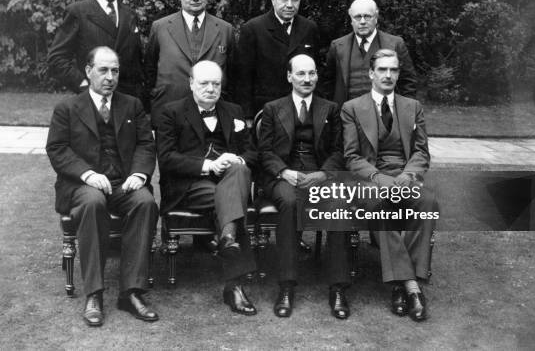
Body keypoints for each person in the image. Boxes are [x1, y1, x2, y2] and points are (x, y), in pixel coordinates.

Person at [46, 46, 159, 327]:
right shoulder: (67, 108)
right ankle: (94, 294)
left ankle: (131, 292)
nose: (109, 77)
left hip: (123, 182)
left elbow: (146, 144)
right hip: (82, 184)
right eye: (103, 70)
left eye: (115, 71)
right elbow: (57, 149)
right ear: (88, 71)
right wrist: (86, 173)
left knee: (145, 203)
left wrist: (140, 175)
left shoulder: (132, 105)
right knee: (93, 202)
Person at [341, 49, 438, 322]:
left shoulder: (412, 107)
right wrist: (382, 180)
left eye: (393, 70)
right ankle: (412, 287)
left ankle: (399, 285)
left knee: (427, 202)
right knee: (383, 205)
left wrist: (406, 178)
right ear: (371, 73)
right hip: (371, 179)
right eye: (382, 69)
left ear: (398, 73)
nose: (388, 75)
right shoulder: (352, 108)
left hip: (404, 175)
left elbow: (421, 153)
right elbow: (352, 157)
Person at [156, 61, 258, 316]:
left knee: (240, 171)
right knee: (231, 202)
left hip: (230, 179)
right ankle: (233, 278)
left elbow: (253, 151)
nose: (211, 88)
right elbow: (167, 158)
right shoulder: (171, 112)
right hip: (190, 184)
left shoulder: (233, 110)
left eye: (216, 83)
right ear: (191, 83)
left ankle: (228, 240)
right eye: (204, 83)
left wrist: (238, 160)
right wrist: (209, 166)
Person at [258, 54, 351, 319]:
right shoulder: (273, 108)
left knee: (338, 205)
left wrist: (324, 174)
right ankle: (286, 286)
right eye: (300, 74)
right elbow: (264, 151)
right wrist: (284, 172)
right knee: (288, 202)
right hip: (283, 177)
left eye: (311, 73)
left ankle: (338, 288)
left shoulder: (330, 108)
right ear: (289, 76)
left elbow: (339, 150)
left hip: (319, 176)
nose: (307, 79)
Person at [145, 0, 235, 128]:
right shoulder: (160, 27)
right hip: (168, 110)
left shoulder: (225, 29)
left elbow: (235, 74)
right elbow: (149, 70)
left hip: (213, 112)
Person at [47, 0, 143, 98]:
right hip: (93, 98)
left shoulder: (130, 15)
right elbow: (57, 59)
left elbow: (137, 61)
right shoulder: (78, 12)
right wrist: (83, 85)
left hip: (127, 101)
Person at [234, 0, 320, 123]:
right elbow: (243, 77)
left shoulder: (309, 28)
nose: (289, 5)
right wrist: (247, 116)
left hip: (301, 110)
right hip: (264, 110)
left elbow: (316, 70)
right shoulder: (253, 28)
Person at [323, 0, 416, 108]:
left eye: (367, 16)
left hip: (385, 115)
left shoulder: (395, 44)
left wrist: (406, 112)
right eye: (357, 17)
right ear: (351, 20)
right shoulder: (337, 46)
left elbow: (408, 83)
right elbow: (328, 84)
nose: (362, 21)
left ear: (376, 18)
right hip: (347, 116)